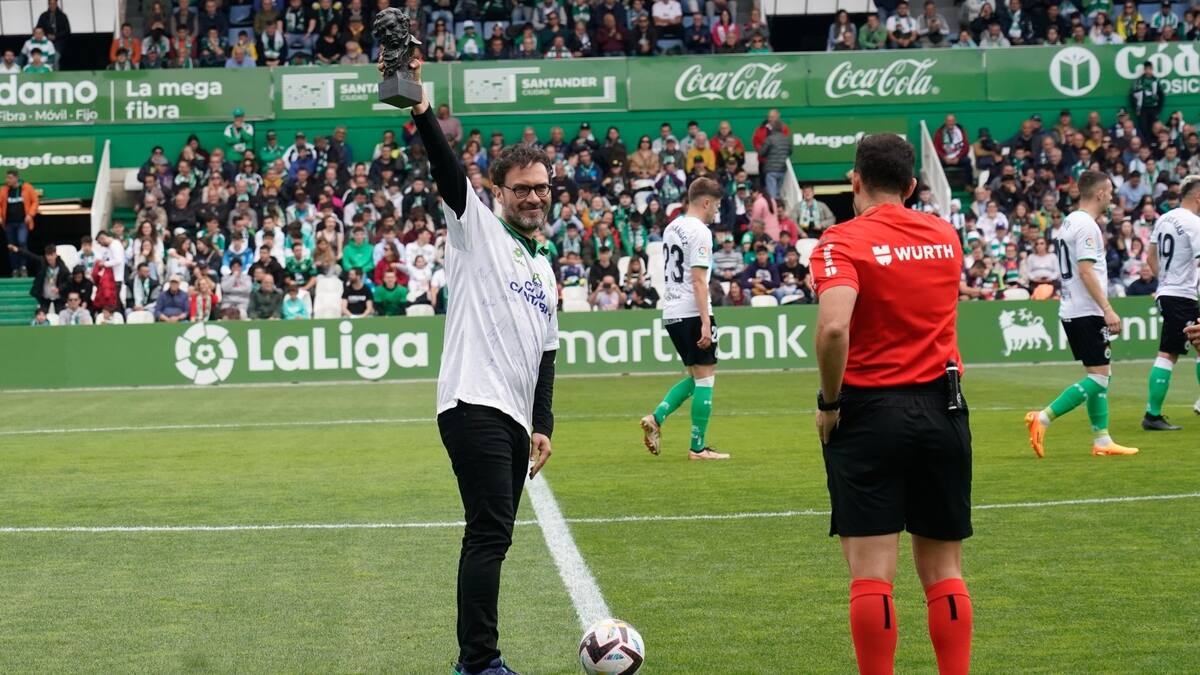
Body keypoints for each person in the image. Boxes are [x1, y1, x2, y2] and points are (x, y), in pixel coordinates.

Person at [402, 54, 557, 675]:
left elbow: (547, 351)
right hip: (473, 402)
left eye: (542, 187)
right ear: (498, 192)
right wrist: (420, 109)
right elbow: (445, 169)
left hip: (514, 417)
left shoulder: (545, 266)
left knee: (494, 533)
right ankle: (479, 661)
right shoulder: (475, 229)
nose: (533, 196)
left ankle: (478, 659)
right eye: (521, 188)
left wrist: (542, 422)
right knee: (489, 533)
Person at [811, 134, 973, 675]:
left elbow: (834, 327)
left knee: (872, 573)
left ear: (854, 180)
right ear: (911, 185)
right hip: (943, 409)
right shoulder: (945, 235)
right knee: (945, 570)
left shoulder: (840, 240)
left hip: (869, 413)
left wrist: (830, 403)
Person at [1026, 170, 1140, 458]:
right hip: (1086, 310)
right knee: (1100, 379)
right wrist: (1108, 309)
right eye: (1111, 191)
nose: (1113, 196)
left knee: (1100, 374)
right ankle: (1044, 417)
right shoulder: (1086, 225)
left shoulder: (1068, 221)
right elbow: (1086, 271)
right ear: (1100, 193)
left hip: (1074, 308)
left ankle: (1102, 441)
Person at [639, 177, 729, 460]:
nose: (716, 211)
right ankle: (698, 448)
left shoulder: (672, 227)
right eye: (716, 206)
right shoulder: (700, 232)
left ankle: (656, 418)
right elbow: (699, 280)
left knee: (694, 376)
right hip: (692, 311)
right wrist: (705, 321)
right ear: (706, 202)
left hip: (672, 312)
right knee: (706, 380)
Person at [1141, 175, 1200, 430]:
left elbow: (1150, 258)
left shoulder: (1164, 218)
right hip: (1181, 295)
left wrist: (1164, 280)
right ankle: (1152, 415)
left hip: (1170, 292)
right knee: (1168, 353)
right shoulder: (1194, 224)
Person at [1, 170, 39, 277]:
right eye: (7, 178)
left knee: (22, 242)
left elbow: (35, 201)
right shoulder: (4, 190)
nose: (7, 180)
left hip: (22, 223)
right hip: (9, 223)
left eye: (10, 178)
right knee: (11, 247)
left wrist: (30, 215)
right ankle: (15, 269)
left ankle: (23, 267)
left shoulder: (27, 187)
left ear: (16, 178)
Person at [1130, 60, 1164, 138]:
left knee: (1155, 128)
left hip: (1153, 108)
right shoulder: (1139, 81)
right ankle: (1145, 144)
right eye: (1147, 69)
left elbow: (1161, 95)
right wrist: (1136, 109)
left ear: (1152, 69)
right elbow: (1132, 95)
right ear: (1144, 70)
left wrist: (1158, 108)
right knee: (1143, 128)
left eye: (1150, 69)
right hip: (1142, 109)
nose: (1148, 71)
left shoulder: (1156, 80)